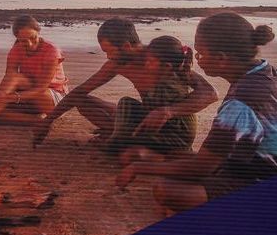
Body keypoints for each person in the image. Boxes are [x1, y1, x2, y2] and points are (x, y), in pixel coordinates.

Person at [116, 14, 277, 211]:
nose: (197, 59)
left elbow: (201, 168)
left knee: (166, 191)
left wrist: (139, 168)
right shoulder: (268, 73)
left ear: (221, 58)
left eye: (200, 54)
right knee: (157, 156)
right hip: (253, 163)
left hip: (266, 180)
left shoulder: (240, 103)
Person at [34, 19, 214, 150]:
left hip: (170, 124)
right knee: (82, 99)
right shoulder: (117, 64)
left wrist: (169, 111)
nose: (108, 57)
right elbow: (80, 91)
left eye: (109, 51)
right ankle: (117, 133)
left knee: (126, 115)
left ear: (126, 46)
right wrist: (48, 121)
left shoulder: (161, 58)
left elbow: (210, 93)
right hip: (146, 114)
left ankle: (120, 139)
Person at [0, 14, 67, 137]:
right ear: (17, 38)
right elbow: (9, 78)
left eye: (33, 38)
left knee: (15, 79)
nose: (30, 44)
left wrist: (9, 97)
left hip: (51, 98)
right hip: (26, 98)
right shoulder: (16, 50)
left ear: (39, 32)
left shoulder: (51, 50)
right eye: (24, 41)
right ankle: (38, 120)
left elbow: (41, 88)